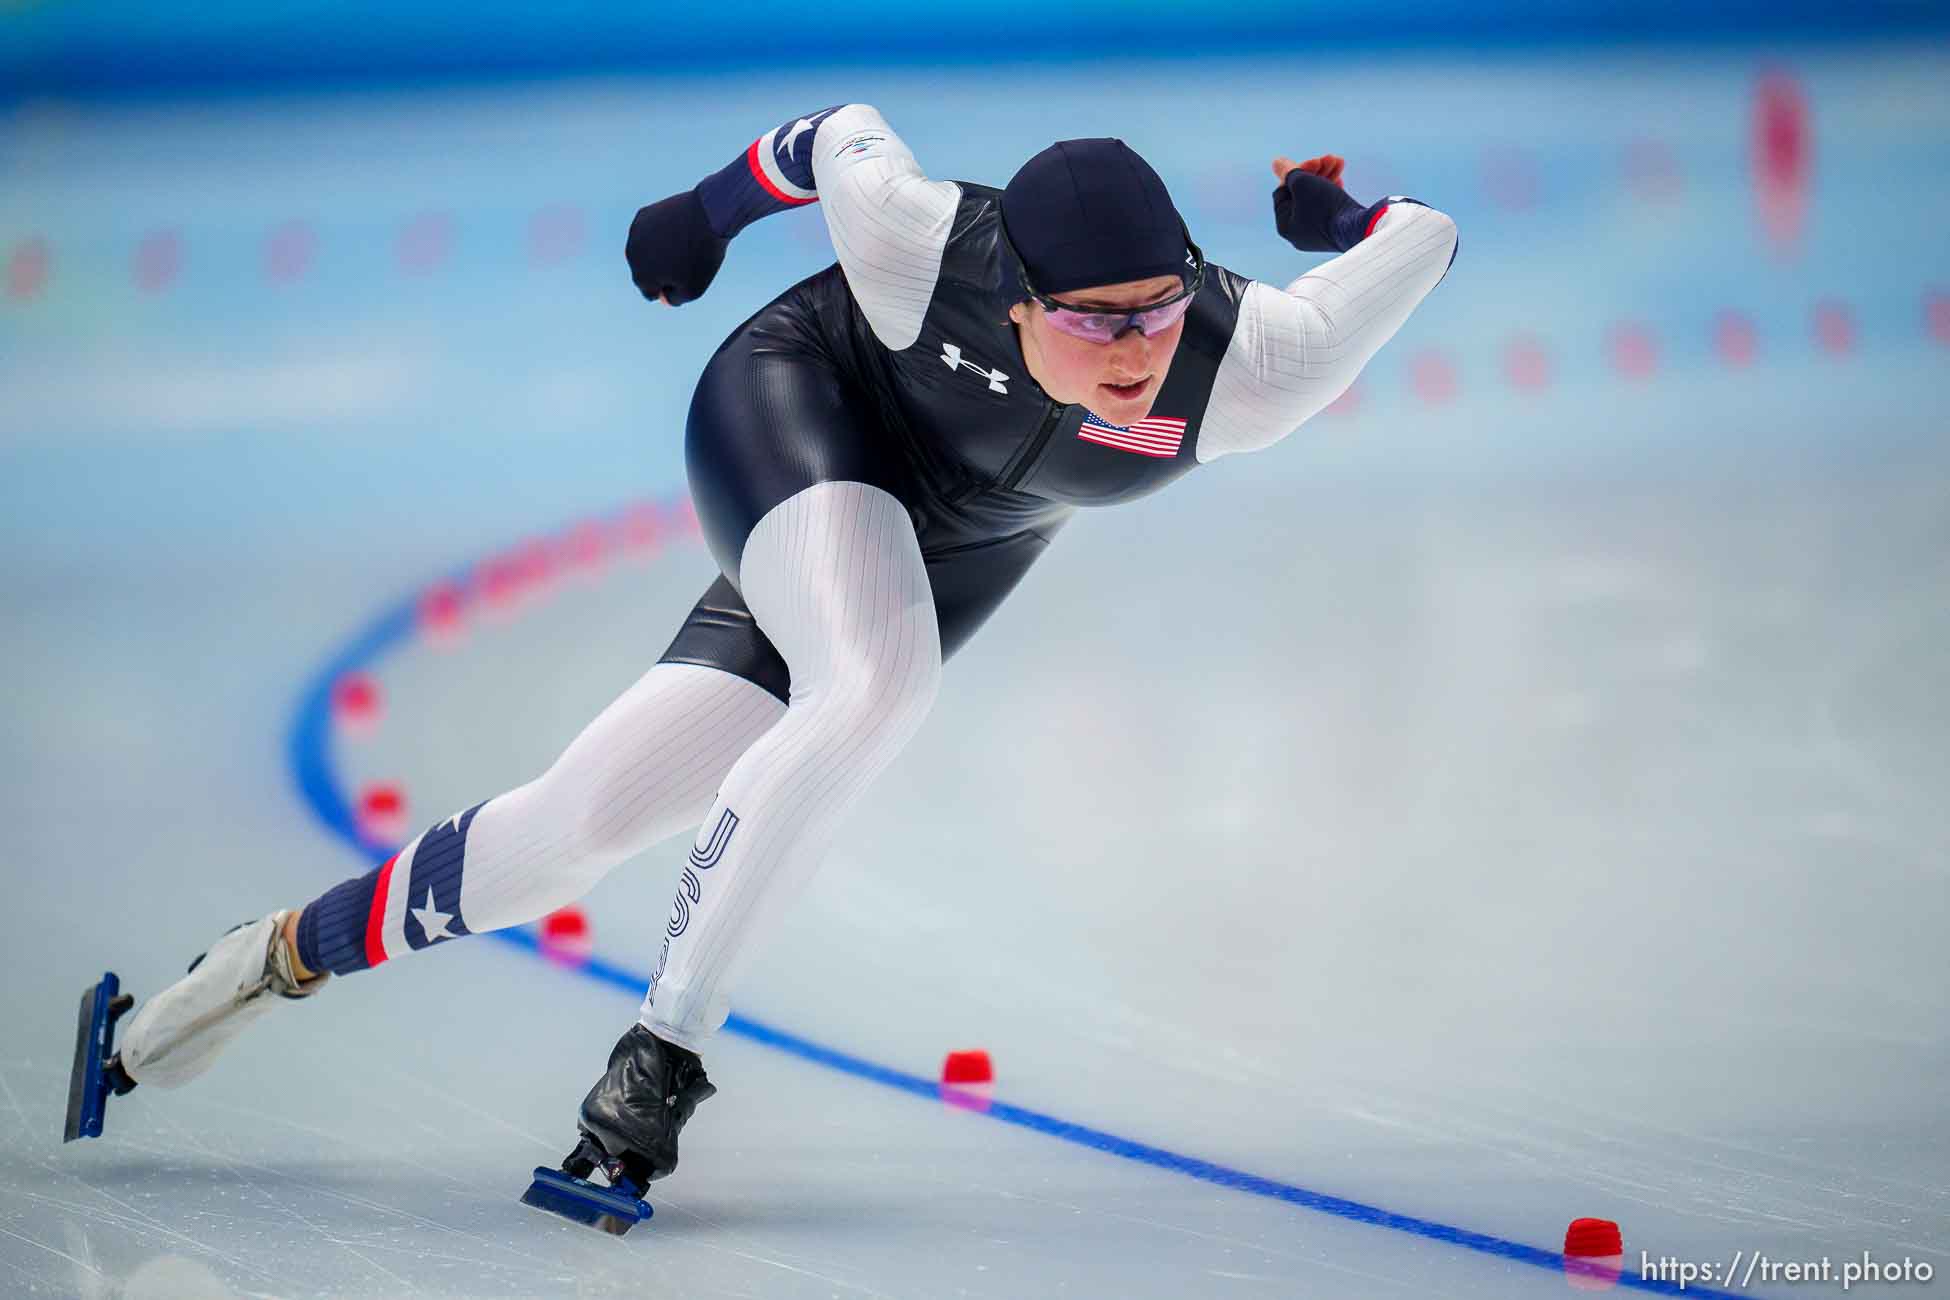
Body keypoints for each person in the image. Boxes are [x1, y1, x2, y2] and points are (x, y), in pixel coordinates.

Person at [101, 103, 1457, 1196]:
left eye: (1155, 311)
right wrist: (706, 211)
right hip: (800, 408)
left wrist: (1328, 219)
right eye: (1095, 319)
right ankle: (665, 1052)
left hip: (971, 533)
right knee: (872, 683)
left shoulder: (1265, 360)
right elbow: (835, 134)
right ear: (1016, 297)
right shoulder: (924, 241)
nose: (1135, 352)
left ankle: (264, 961)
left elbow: (1424, 233)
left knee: (573, 831)